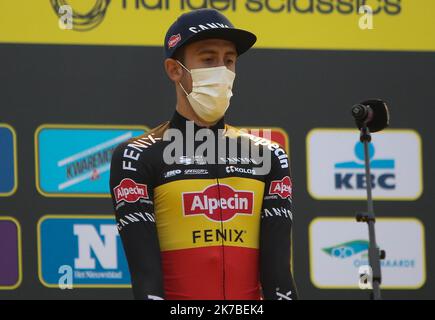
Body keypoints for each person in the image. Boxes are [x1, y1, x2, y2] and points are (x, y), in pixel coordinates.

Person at [110, 8, 298, 300]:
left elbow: (279, 279)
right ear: (174, 70)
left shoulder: (269, 155)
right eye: (208, 59)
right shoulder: (138, 156)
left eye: (229, 61)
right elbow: (147, 280)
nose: (222, 70)